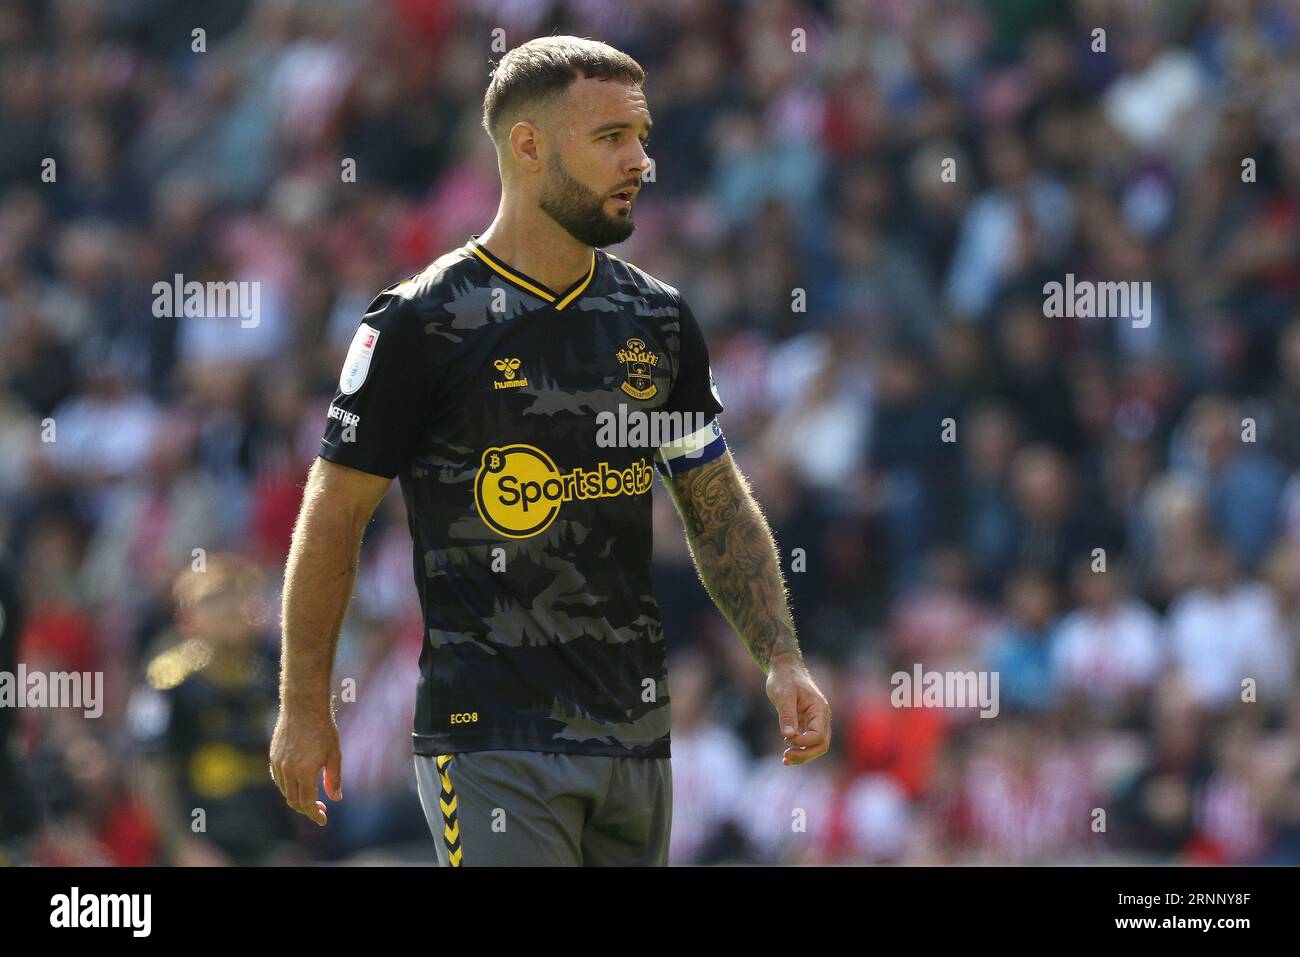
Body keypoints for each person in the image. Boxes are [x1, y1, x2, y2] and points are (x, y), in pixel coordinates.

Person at [270, 35, 831, 867]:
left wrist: (780, 656)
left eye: (642, 137)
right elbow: (333, 514)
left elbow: (711, 500)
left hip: (635, 740)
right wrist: (303, 702)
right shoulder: (421, 322)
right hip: (489, 737)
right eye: (611, 138)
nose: (640, 160)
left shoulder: (659, 320)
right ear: (528, 146)